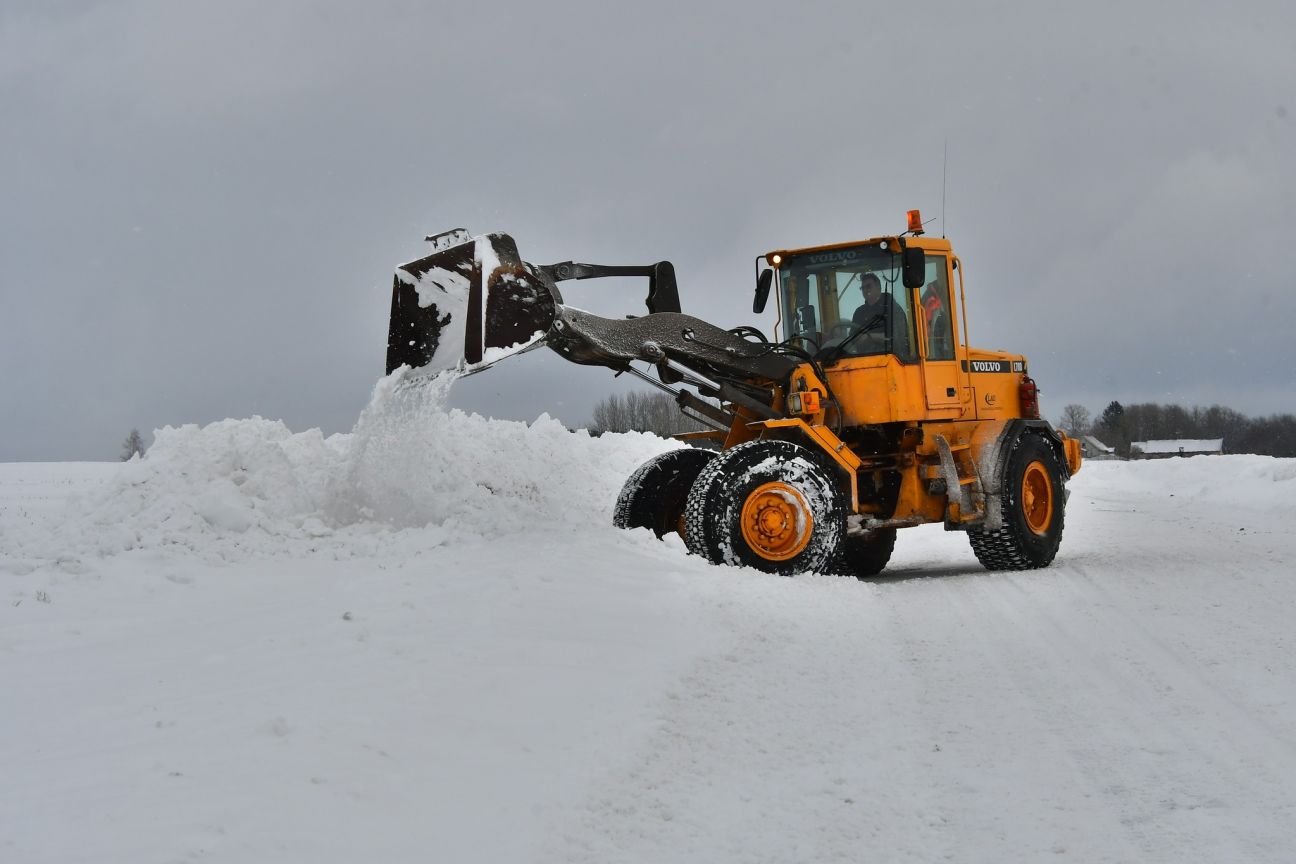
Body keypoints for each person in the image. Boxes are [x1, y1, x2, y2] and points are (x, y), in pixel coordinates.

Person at [851, 273, 910, 357]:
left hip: (891, 360)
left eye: (868, 286)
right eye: (862, 288)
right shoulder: (859, 312)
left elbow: (897, 339)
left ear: (878, 287)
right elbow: (852, 339)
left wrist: (868, 337)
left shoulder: (893, 309)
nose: (865, 290)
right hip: (863, 360)